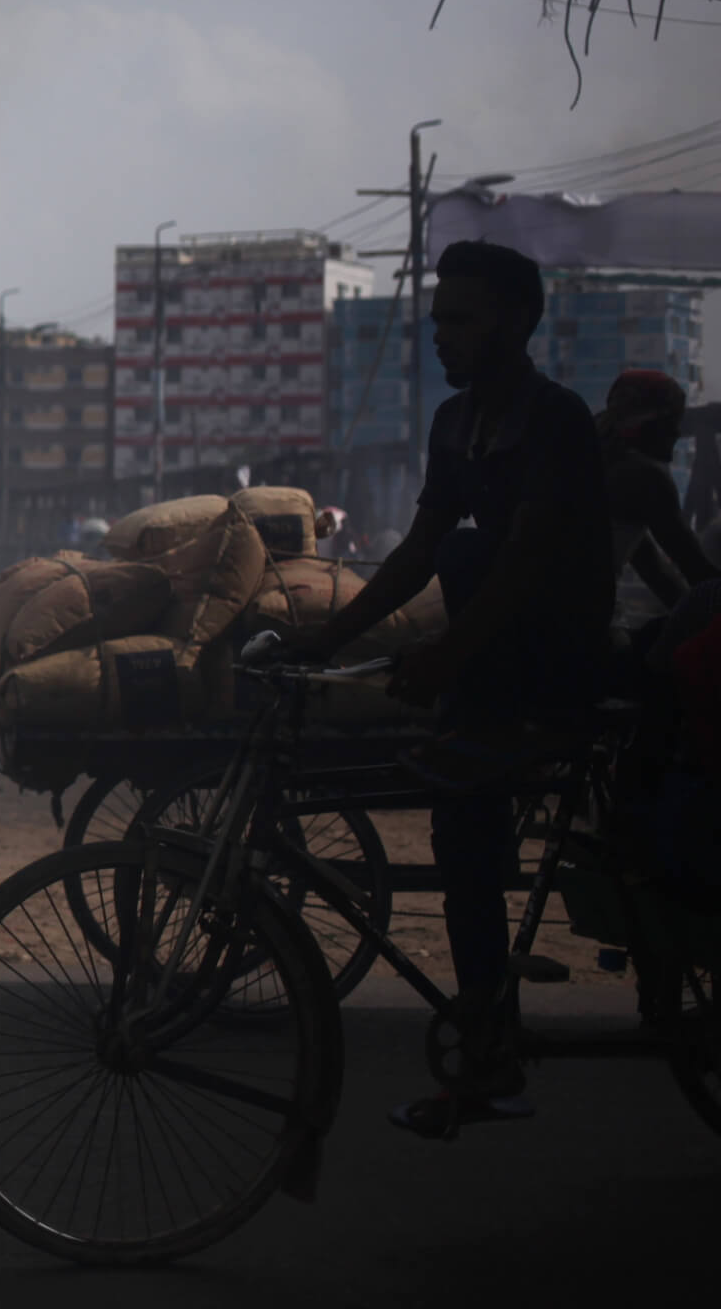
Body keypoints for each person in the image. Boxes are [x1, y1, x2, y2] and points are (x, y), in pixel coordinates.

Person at [284, 239, 614, 1137]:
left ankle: (487, 1047)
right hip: (488, 662)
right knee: (462, 842)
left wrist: (445, 656)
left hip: (553, 661)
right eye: (436, 321)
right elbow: (417, 553)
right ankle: (487, 1047)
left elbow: (523, 565)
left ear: (516, 320)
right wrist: (325, 637)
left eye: (459, 319)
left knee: (480, 555)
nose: (441, 337)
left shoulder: (556, 419)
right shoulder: (455, 423)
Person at [598, 369, 718, 614]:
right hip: (575, 622)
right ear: (647, 424)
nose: (676, 433)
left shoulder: (600, 462)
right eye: (671, 422)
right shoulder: (644, 479)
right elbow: (696, 570)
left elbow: (657, 572)